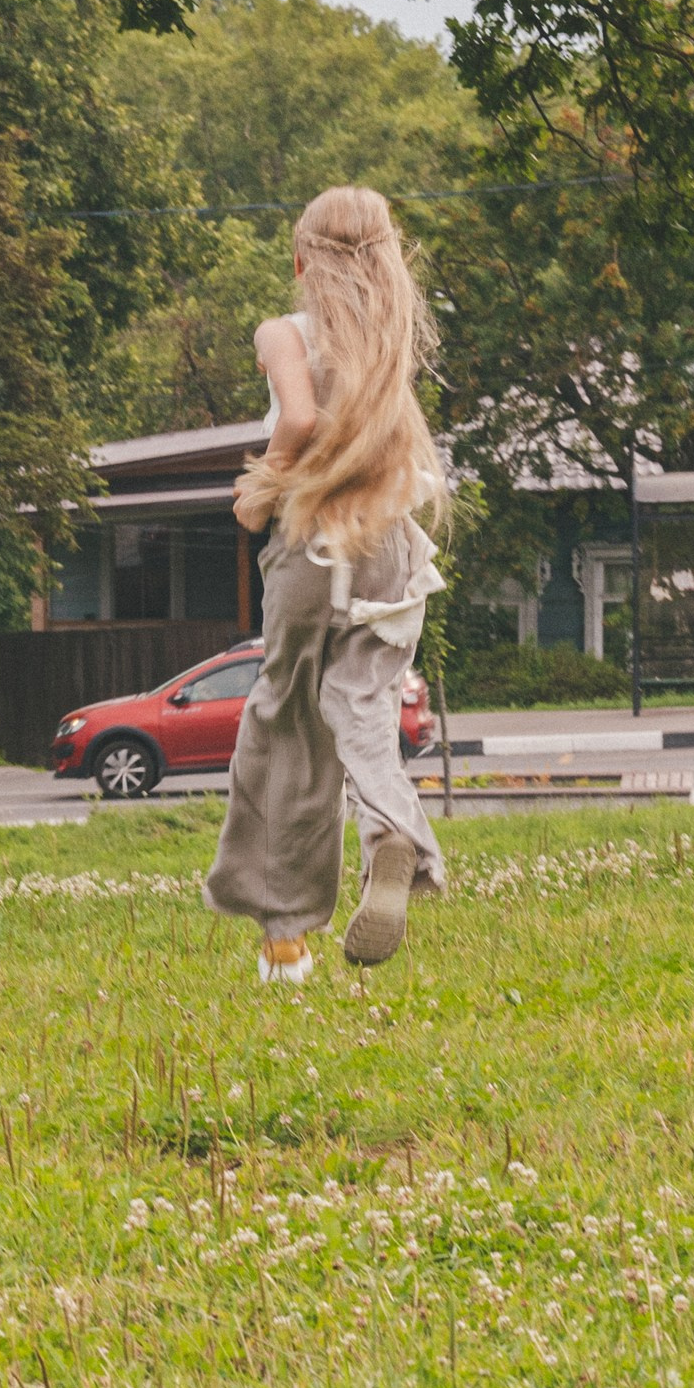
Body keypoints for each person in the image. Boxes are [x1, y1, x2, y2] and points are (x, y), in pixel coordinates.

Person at [204, 184, 448, 985]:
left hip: (311, 547)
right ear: (385, 261)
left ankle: (285, 939)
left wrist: (263, 484)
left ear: (301, 260)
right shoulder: (388, 344)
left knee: (286, 725)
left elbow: (300, 420)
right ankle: (390, 835)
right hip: (391, 547)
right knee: (363, 707)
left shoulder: (284, 333)